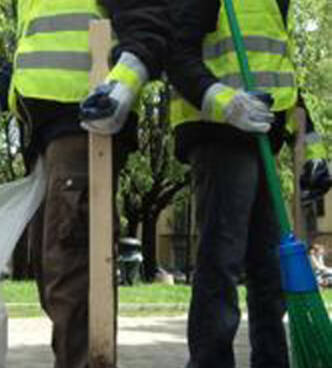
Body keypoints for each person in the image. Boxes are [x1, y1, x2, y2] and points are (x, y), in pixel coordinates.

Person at [0, 1, 171, 365]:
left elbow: (149, 27)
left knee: (71, 267)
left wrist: (120, 88)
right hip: (45, 137)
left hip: (87, 124)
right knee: (52, 270)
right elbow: (25, 67)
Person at [165, 0, 331, 367]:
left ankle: (272, 360)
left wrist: (311, 143)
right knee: (222, 260)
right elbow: (177, 53)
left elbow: (279, 75)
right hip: (219, 133)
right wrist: (226, 102)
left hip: (261, 136)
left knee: (270, 266)